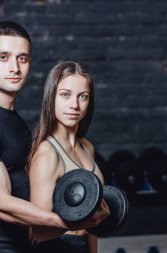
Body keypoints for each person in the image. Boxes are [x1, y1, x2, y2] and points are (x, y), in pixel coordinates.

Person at [0, 21, 109, 253]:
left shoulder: (13, 119)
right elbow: (1, 205)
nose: (14, 67)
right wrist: (73, 222)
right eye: (3, 57)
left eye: (22, 58)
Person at [28, 61, 106, 253]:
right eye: (65, 95)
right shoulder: (47, 154)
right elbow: (36, 232)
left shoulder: (87, 147)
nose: (75, 105)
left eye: (83, 97)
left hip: (84, 246)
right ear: (51, 98)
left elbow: (93, 219)